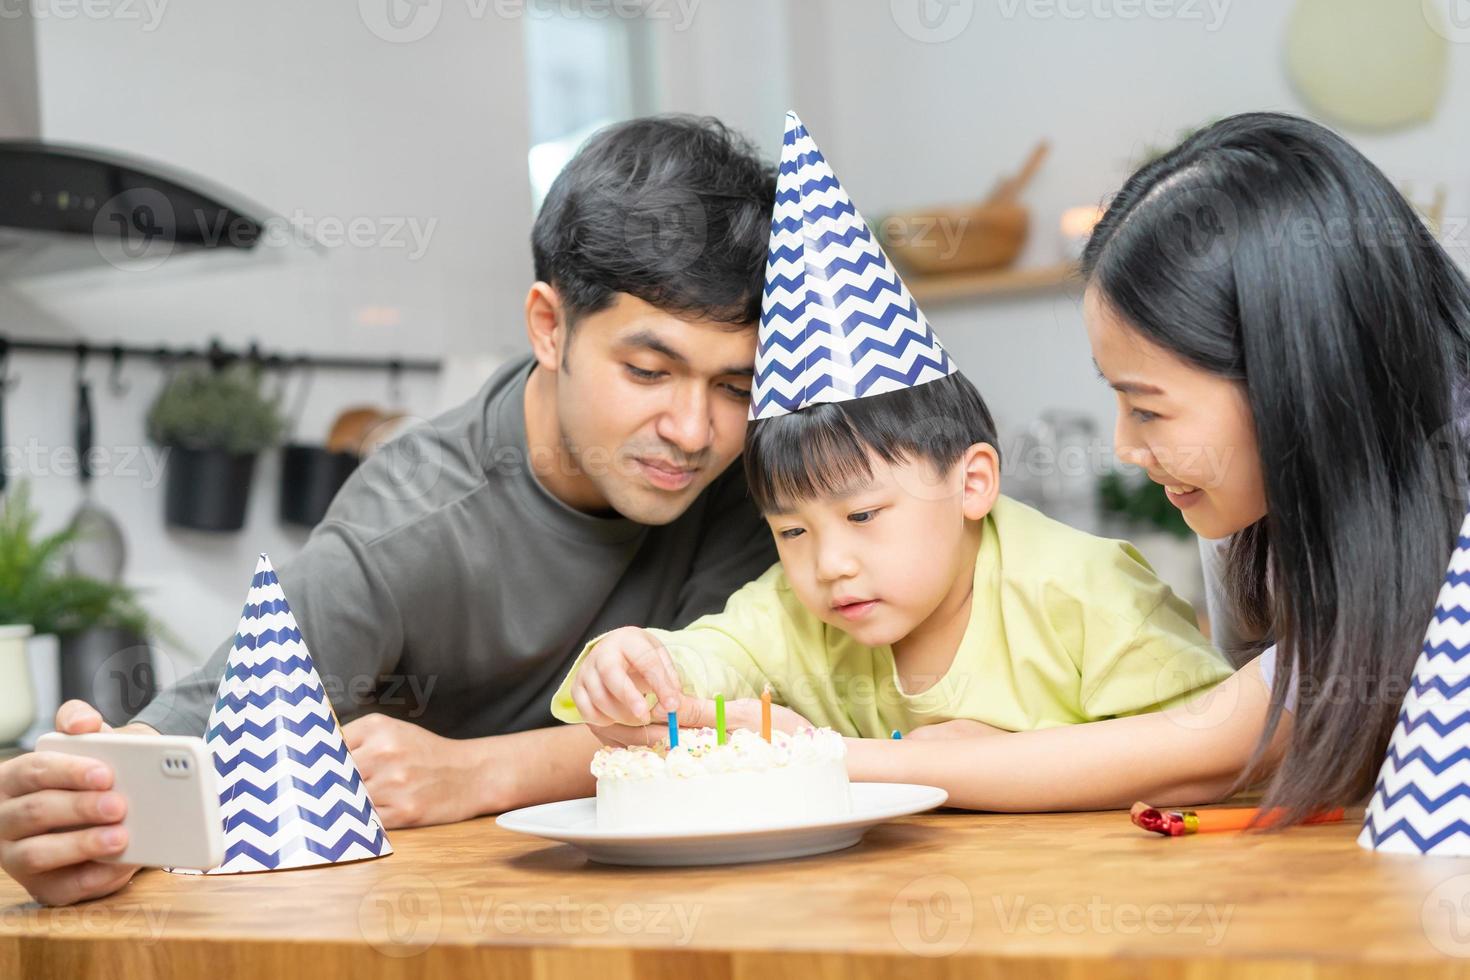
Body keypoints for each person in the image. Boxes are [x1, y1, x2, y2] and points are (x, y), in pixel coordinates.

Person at [0, 114, 780, 906]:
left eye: (734, 385)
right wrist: (80, 809)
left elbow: (769, 723)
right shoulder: (408, 518)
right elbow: (204, 726)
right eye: (649, 370)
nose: (692, 432)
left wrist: (480, 772)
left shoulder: (759, 483)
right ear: (550, 327)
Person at [549, 110, 1233, 796]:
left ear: (972, 483)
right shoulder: (796, 610)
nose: (829, 564)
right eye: (791, 530)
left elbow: (1218, 754)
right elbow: (715, 656)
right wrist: (637, 662)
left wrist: (1003, 762)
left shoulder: (1089, 595)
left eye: (865, 515)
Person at [843, 112, 1470, 817]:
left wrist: (852, 760)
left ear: (1288, 379)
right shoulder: (1249, 520)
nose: (1124, 447)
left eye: (1148, 409)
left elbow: (1208, 751)